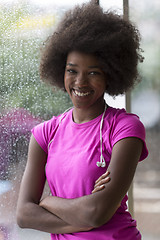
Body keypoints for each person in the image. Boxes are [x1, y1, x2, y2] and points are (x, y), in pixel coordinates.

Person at [16, 2, 148, 240]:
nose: (80, 82)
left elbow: (97, 212)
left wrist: (48, 201)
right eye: (72, 70)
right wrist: (83, 221)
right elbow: (24, 214)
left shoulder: (125, 128)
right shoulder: (45, 134)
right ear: (60, 71)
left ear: (111, 74)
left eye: (94, 72)